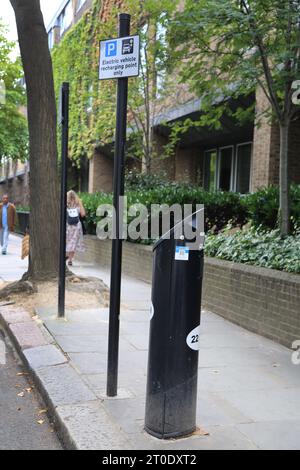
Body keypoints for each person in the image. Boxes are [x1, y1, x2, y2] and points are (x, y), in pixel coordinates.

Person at [66, 190, 86, 266]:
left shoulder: (66, 204)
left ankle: (66, 256)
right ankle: (70, 259)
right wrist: (80, 204)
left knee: (67, 241)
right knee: (73, 242)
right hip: (76, 226)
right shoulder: (78, 204)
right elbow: (83, 214)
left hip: (67, 225)